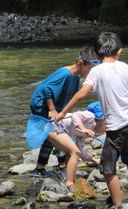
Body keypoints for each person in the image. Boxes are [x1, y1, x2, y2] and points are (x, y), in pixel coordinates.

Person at [54, 32, 128, 206]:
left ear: (95, 54)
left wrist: (63, 112)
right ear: (119, 51)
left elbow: (82, 94)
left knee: (108, 169)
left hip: (117, 127)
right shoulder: (124, 66)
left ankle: (117, 207)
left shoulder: (96, 71)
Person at [29, 46, 100, 179]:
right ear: (80, 63)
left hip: (57, 106)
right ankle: (56, 166)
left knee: (55, 134)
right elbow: (45, 89)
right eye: (90, 70)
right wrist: (52, 109)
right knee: (56, 133)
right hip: (42, 106)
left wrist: (70, 114)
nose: (91, 74)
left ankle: (44, 167)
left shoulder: (76, 77)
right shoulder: (65, 74)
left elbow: (72, 97)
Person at [47, 101, 106, 188]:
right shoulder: (90, 116)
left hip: (58, 130)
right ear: (103, 119)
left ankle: (70, 179)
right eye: (108, 125)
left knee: (72, 153)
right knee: (74, 152)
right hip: (55, 126)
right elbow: (75, 115)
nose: (107, 129)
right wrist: (83, 128)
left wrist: (95, 160)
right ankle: (69, 183)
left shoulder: (88, 131)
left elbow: (81, 151)